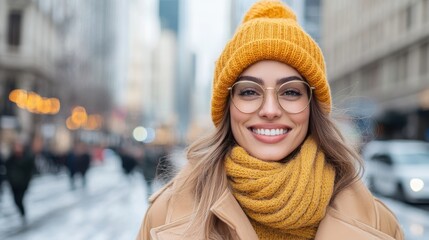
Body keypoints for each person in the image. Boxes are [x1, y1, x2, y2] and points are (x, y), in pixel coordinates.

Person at [137, 1, 404, 239]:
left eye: (290, 91)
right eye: (249, 91)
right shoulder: (166, 216)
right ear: (228, 106)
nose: (270, 109)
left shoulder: (378, 224)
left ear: (312, 106)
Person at [5, 139, 35, 222]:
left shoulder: (27, 158)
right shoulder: (10, 159)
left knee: (20, 200)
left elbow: (30, 170)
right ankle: (22, 213)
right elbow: (7, 169)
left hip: (22, 184)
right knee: (16, 200)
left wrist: (26, 181)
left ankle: (23, 214)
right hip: (14, 184)